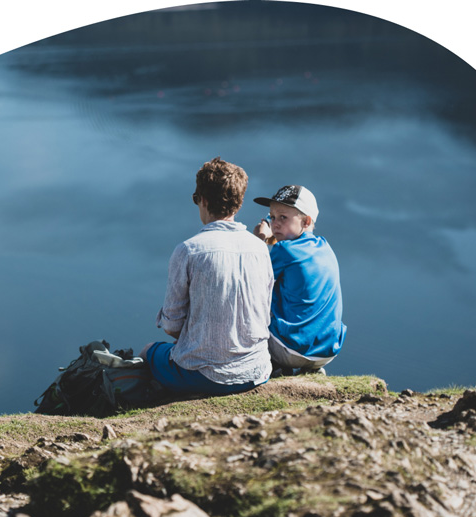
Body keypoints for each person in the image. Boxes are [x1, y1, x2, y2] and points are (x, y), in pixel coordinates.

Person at [140, 157, 274, 395]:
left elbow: (171, 327)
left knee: (149, 351)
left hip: (207, 376)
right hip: (258, 370)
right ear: (239, 203)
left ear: (202, 200)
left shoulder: (188, 250)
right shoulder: (260, 249)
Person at [253, 185, 346, 375]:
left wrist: (260, 240)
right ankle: (309, 369)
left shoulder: (284, 250)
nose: (275, 223)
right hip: (327, 350)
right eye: (271, 216)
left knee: (250, 298)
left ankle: (273, 366)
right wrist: (277, 241)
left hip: (291, 350)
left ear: (306, 221)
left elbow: (250, 278)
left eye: (283, 217)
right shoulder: (324, 246)